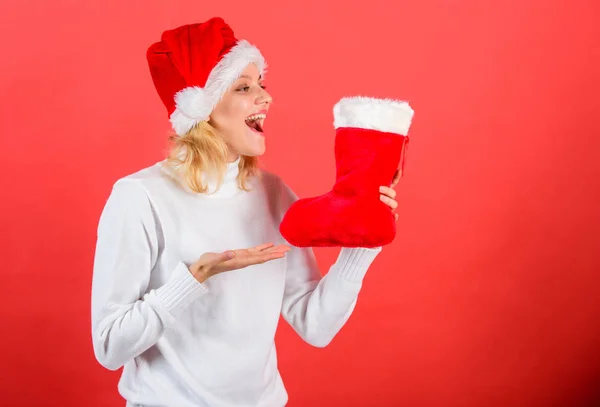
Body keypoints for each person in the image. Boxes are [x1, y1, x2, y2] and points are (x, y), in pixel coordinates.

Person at [91, 17, 401, 407]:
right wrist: (194, 277)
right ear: (202, 108)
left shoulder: (273, 194)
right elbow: (109, 345)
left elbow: (315, 326)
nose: (266, 98)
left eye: (262, 85)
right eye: (243, 87)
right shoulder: (139, 197)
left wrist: (363, 243)